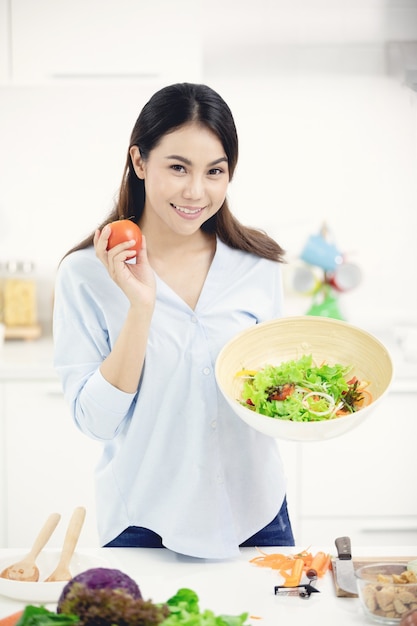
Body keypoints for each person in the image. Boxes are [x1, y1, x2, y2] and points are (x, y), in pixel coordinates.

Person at [53, 82, 294, 559]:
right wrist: (141, 307)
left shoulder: (257, 267)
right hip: (144, 520)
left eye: (214, 171)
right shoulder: (85, 275)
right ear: (140, 163)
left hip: (256, 513)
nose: (195, 191)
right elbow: (96, 423)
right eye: (178, 167)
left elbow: (270, 395)